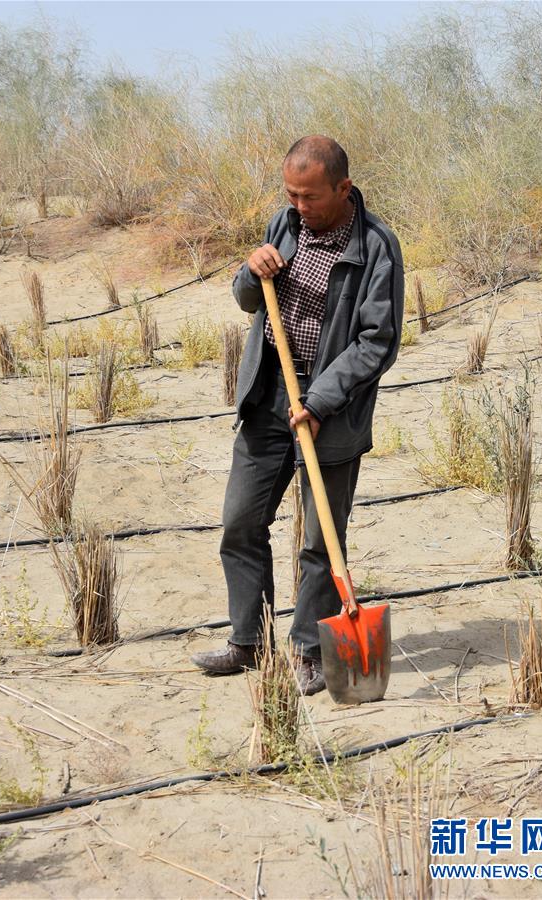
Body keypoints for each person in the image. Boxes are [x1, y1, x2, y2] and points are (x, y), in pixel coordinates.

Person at [191, 135, 404, 695]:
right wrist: (249, 269)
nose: (300, 207)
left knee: (319, 537)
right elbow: (249, 299)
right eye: (291, 194)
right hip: (269, 396)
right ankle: (247, 641)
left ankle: (310, 651)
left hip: (331, 410)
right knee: (240, 523)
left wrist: (321, 399)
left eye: (311, 197)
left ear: (343, 189)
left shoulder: (377, 246)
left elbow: (377, 341)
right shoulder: (282, 225)